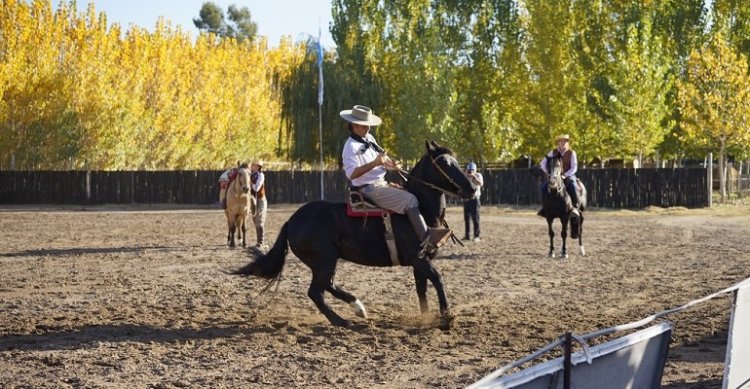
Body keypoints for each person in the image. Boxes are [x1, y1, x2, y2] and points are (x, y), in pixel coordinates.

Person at [340, 104, 451, 256]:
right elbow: (351, 174)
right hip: (368, 189)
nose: (369, 129)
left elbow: (382, 160)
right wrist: (375, 163)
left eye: (369, 126)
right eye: (365, 126)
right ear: (354, 125)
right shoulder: (350, 147)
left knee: (412, 193)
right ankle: (427, 241)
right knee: (410, 200)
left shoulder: (369, 139)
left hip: (381, 184)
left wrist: (391, 165)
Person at [538, 134, 580, 217]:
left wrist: (565, 175)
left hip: (568, 176)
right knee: (543, 188)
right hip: (554, 177)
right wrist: (549, 173)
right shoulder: (552, 152)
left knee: (573, 187)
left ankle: (574, 208)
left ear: (568, 142)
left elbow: (574, 167)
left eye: (565, 141)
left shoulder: (572, 153)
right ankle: (544, 208)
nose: (563, 142)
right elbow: (542, 164)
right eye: (561, 141)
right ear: (558, 142)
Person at [463, 162, 484, 242]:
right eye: (469, 170)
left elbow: (481, 184)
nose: (470, 172)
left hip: (475, 199)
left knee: (475, 218)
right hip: (467, 199)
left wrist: (473, 176)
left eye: (472, 170)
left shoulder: (478, 175)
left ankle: (476, 235)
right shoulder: (465, 176)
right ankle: (467, 235)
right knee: (466, 218)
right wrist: (466, 175)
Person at [250, 160, 267, 249]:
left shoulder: (261, 175)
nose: (251, 166)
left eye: (253, 165)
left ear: (257, 166)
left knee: (259, 221)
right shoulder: (250, 175)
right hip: (253, 200)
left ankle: (261, 243)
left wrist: (251, 183)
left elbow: (257, 188)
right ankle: (259, 242)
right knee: (255, 220)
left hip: (260, 200)